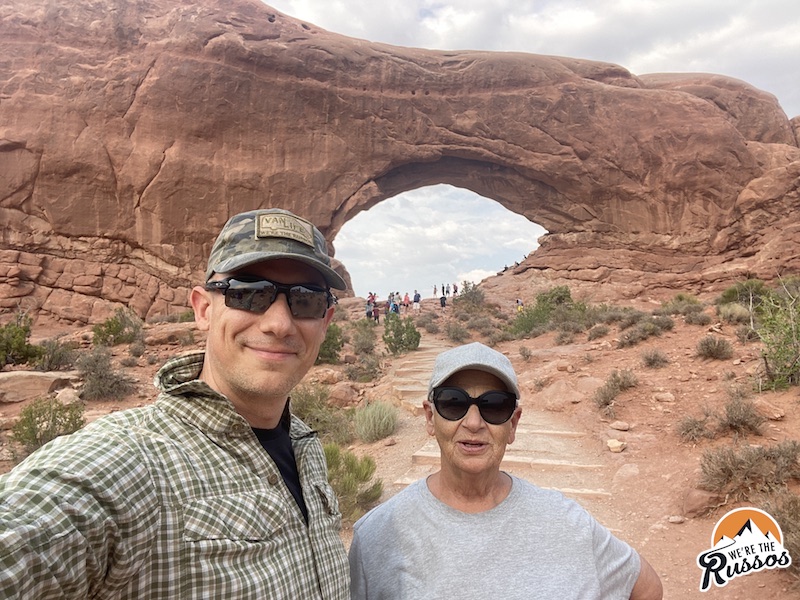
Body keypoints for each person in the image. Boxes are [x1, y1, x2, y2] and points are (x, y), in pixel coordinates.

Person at [0, 208, 350, 599]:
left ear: (326, 319)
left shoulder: (304, 444)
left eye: (305, 300)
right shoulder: (129, 460)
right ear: (203, 309)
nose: (279, 323)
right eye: (248, 293)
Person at [349, 343, 662, 600]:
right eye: (453, 403)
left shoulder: (566, 521)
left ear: (513, 424)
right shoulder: (377, 536)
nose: (473, 423)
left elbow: (646, 587)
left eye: (494, 405)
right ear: (430, 418)